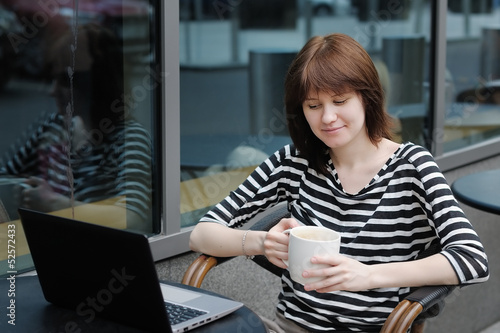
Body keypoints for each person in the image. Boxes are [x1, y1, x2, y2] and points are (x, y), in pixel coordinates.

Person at [189, 33, 489, 332]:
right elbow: (201, 234)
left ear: (367, 97)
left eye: (340, 100)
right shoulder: (295, 161)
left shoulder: (412, 166)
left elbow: (472, 259)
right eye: (313, 105)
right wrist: (260, 242)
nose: (328, 117)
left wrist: (369, 275)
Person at [0, 23, 153, 232]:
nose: (53, 91)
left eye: (64, 80)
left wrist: (54, 203)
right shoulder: (53, 126)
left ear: (94, 83)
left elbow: (133, 217)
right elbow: (5, 178)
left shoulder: (128, 138)